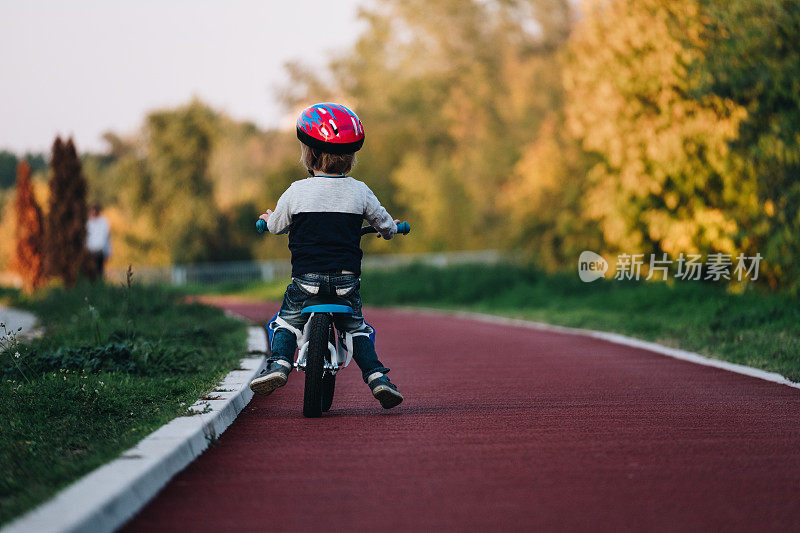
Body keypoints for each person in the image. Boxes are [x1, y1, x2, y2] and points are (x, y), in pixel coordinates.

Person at [249, 103, 403, 409]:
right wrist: (394, 229)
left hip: (306, 280)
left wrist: (267, 221)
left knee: (286, 322)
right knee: (356, 328)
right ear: (351, 156)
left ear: (308, 153)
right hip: (346, 281)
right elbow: (383, 224)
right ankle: (377, 378)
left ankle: (279, 364)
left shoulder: (295, 191)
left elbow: (278, 226)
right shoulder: (360, 191)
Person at [86, 204, 111, 281]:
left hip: (99, 252)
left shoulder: (104, 222)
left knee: (99, 273)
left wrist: (108, 253)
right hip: (89, 253)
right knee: (90, 275)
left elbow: (107, 239)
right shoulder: (87, 222)